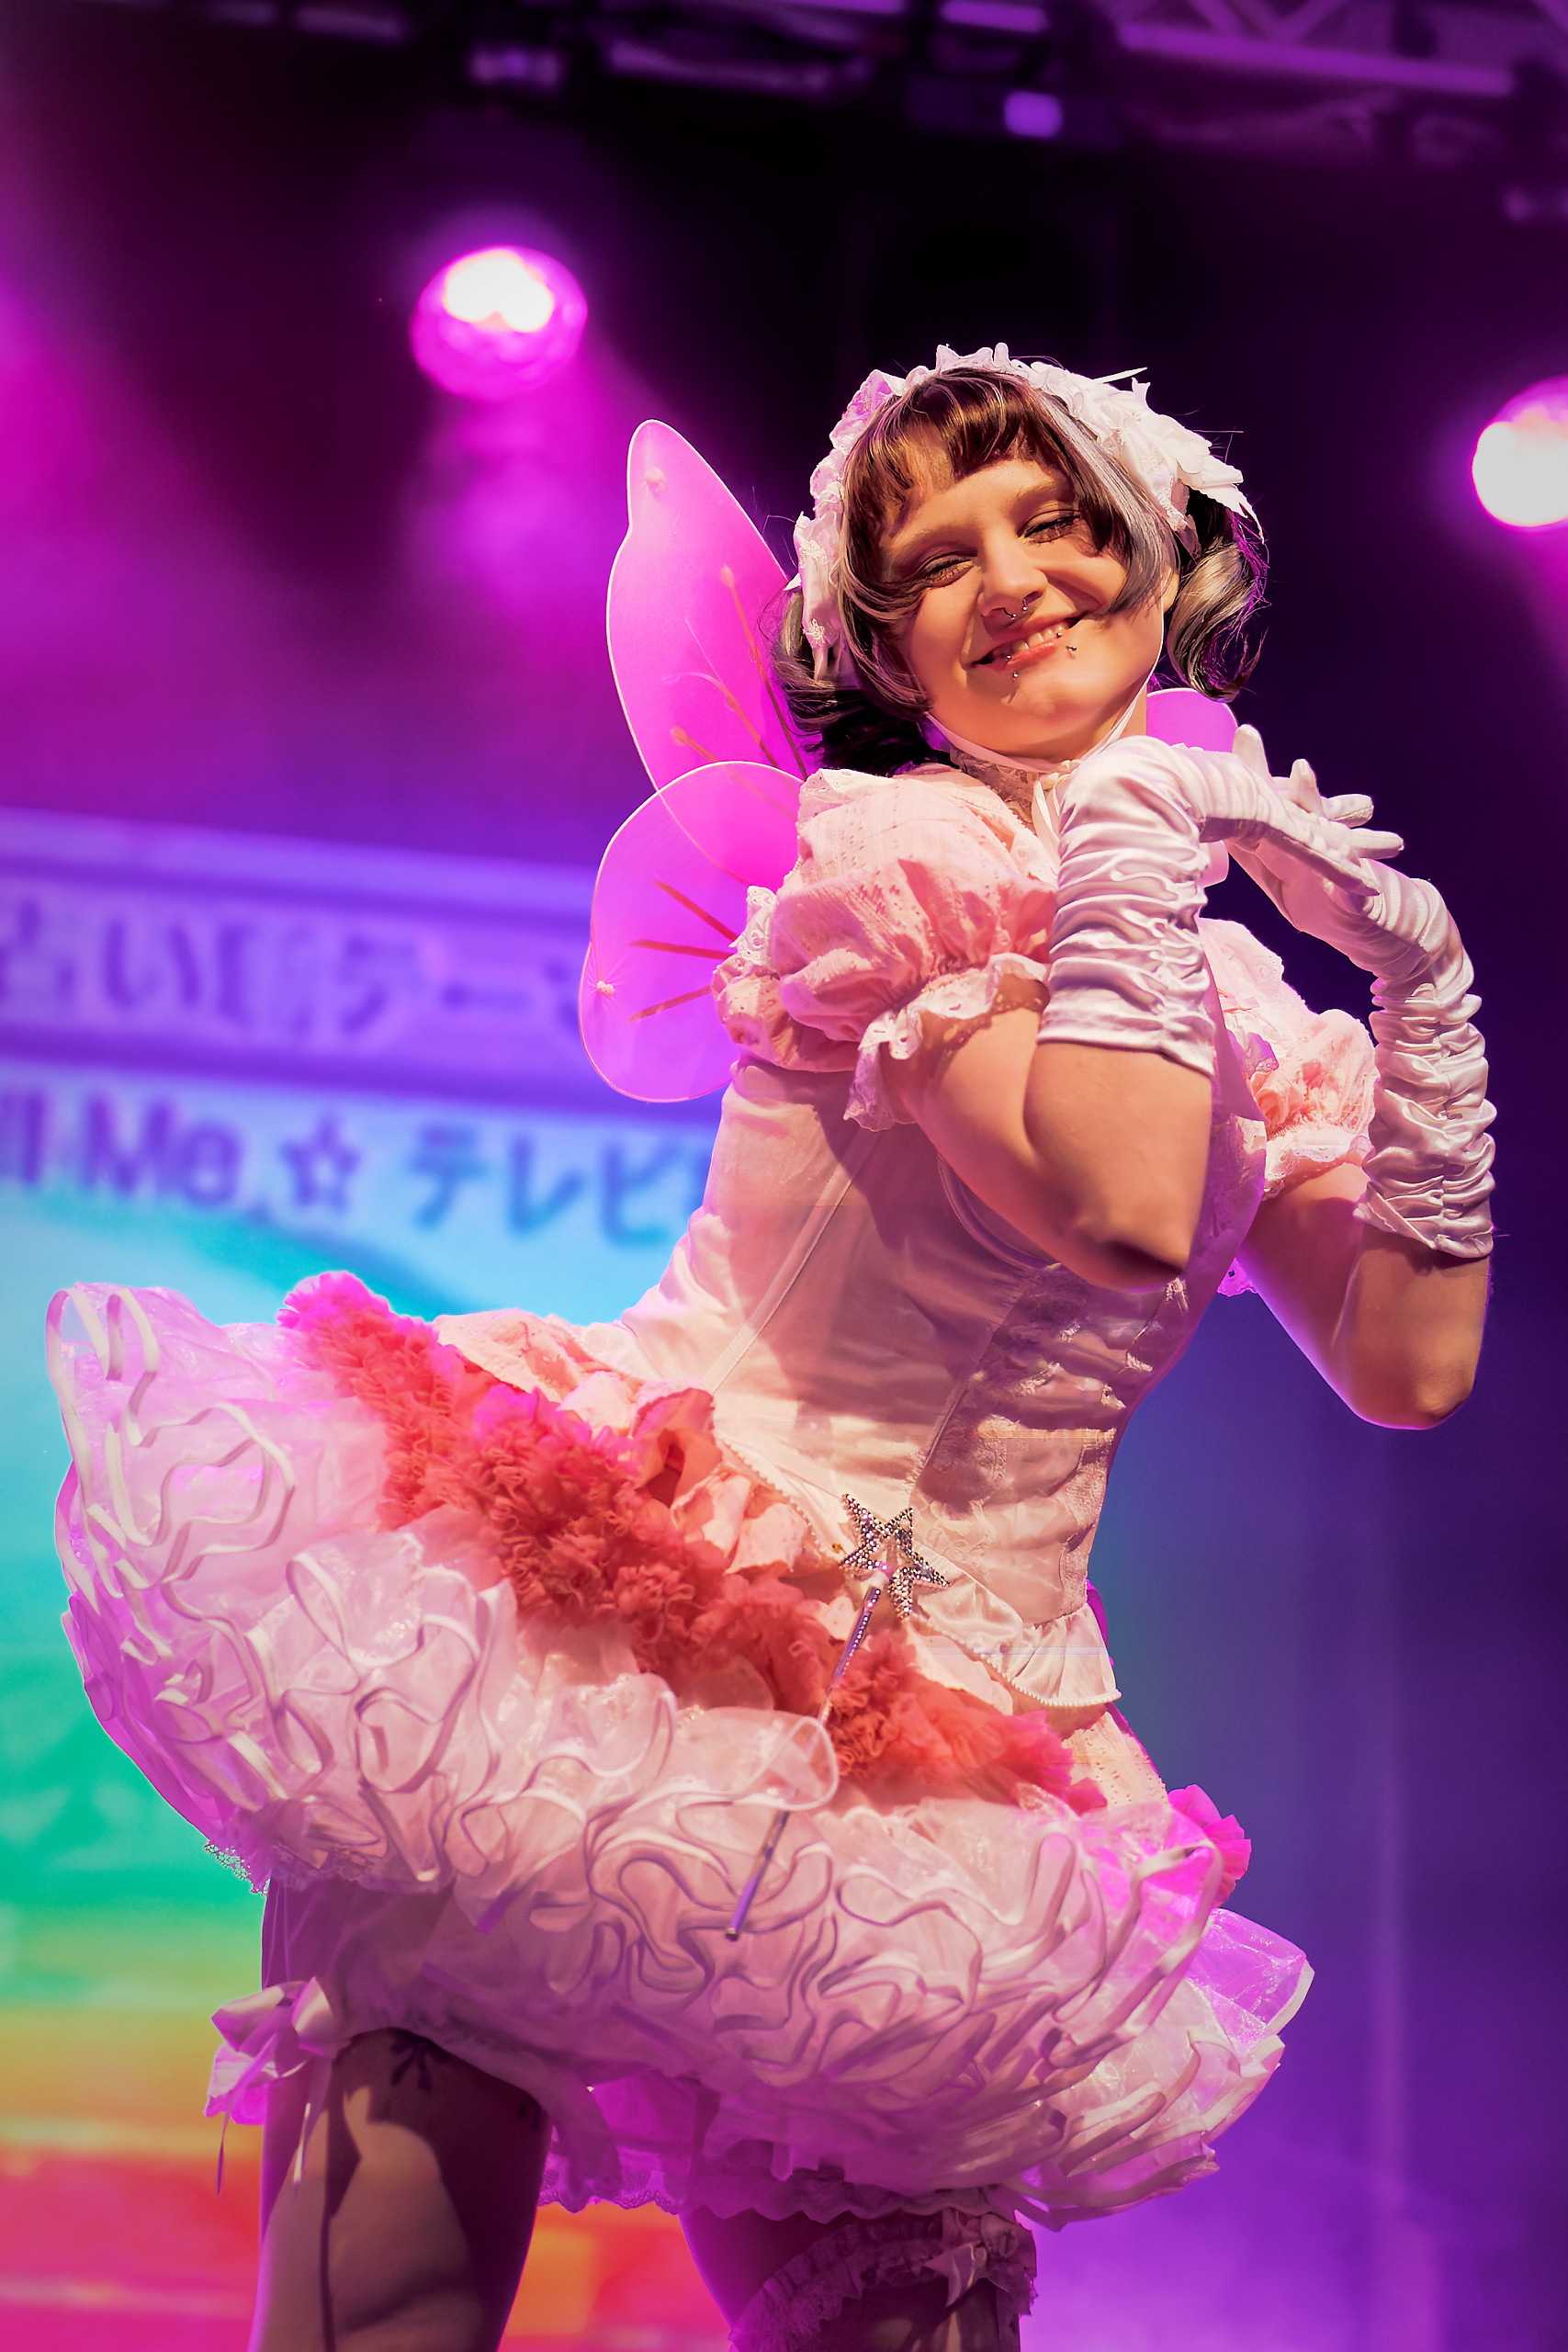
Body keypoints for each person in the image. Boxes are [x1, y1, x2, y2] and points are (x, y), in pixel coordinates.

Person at [46, 347, 1493, 2352]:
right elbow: (1116, 1200)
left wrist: (1424, 1003)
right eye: (941, 560)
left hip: (956, 1729)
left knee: (904, 2309)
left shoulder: (1248, 1013)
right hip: (642, 1625)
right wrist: (1144, 833)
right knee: (400, 2276)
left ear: (1159, 558)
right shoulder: (898, 868)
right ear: (887, 650)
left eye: (1053, 522)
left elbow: (1408, 1360)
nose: (1012, 579)